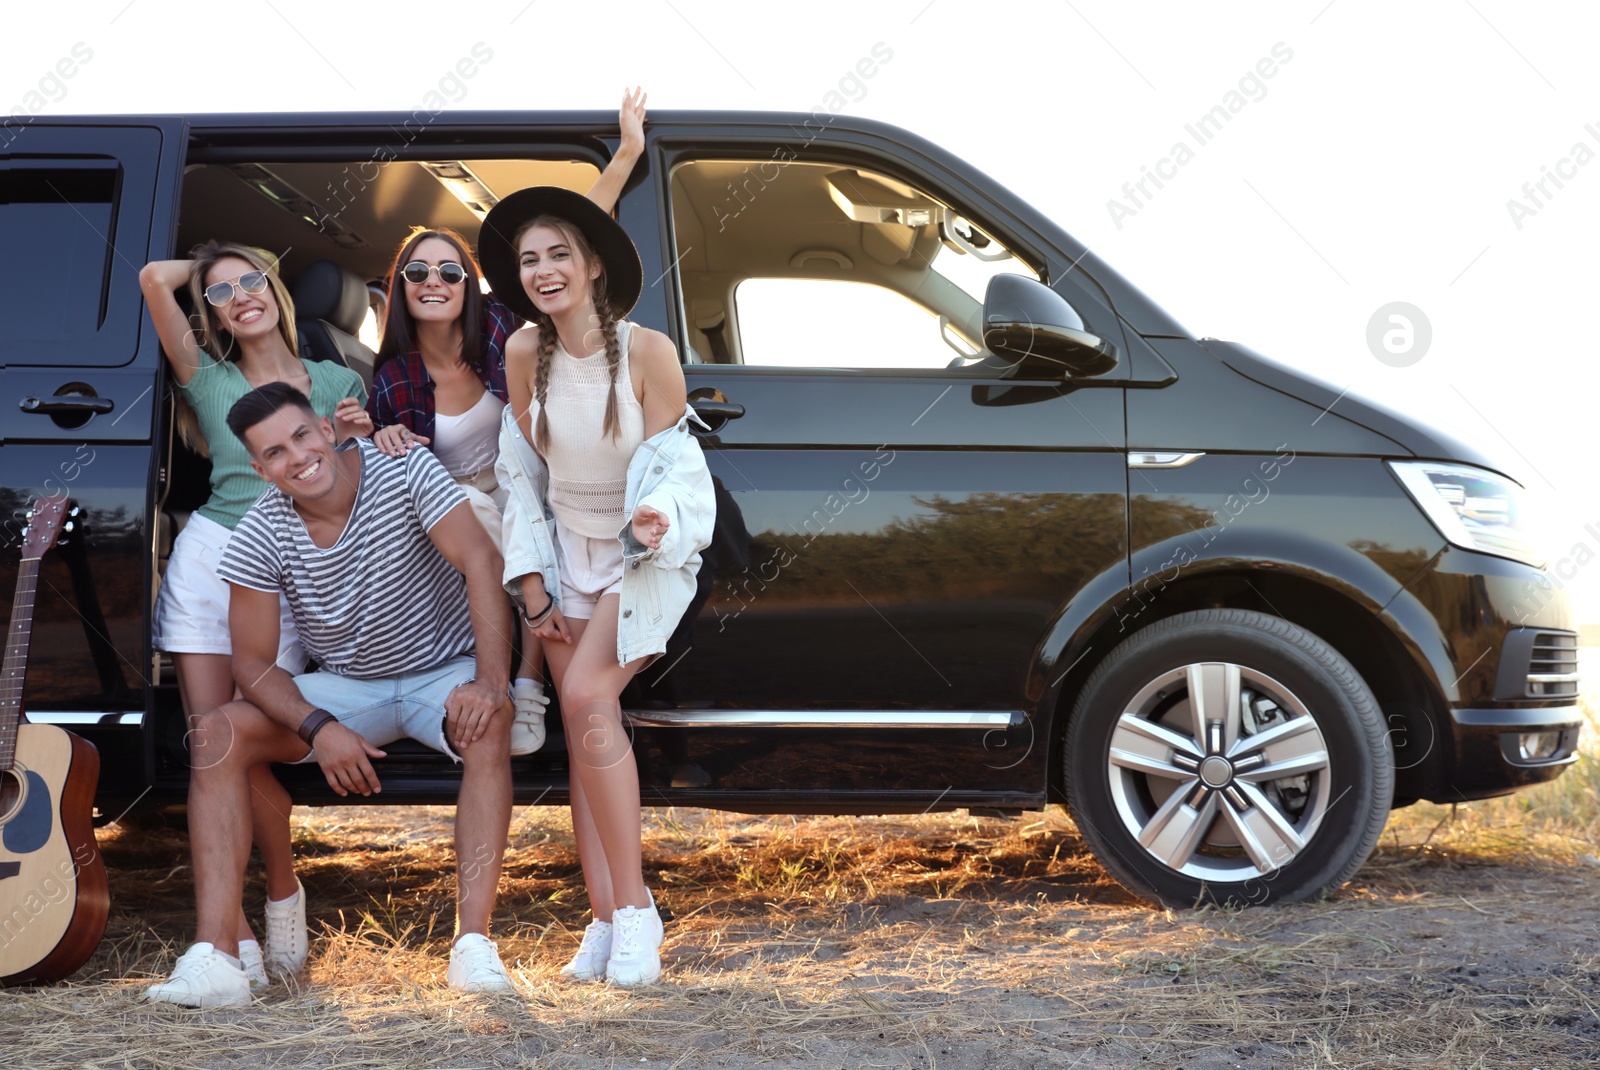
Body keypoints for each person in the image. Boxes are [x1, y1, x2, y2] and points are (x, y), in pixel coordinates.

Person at [145, 382, 517, 1007]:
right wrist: (319, 725)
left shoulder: (403, 469)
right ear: (259, 469)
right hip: (349, 689)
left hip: (441, 672)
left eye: (301, 436)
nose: (296, 457)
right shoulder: (261, 530)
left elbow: (480, 560)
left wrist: (488, 681)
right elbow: (254, 664)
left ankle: (473, 946)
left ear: (325, 428)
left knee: (490, 722)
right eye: (274, 453)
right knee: (215, 732)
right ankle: (217, 960)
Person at [366, 88, 649, 756]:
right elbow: (376, 466)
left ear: (469, 284)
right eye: (416, 272)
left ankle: (532, 679)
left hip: (531, 479)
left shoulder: (500, 327)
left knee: (537, 509)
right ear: (401, 289)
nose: (434, 280)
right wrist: (375, 435)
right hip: (453, 501)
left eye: (449, 270)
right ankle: (524, 685)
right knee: (490, 516)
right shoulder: (393, 379)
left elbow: (570, 245)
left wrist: (629, 150)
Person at [480, 185, 716, 986]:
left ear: (591, 267)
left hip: (640, 556)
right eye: (529, 260)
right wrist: (534, 589)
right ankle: (607, 919)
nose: (544, 271)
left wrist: (653, 517)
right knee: (587, 743)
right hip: (566, 558)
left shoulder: (646, 351)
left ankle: (641, 912)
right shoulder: (521, 354)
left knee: (584, 700)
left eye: (558, 255)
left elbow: (680, 470)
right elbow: (524, 478)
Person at [139, 243, 371, 990]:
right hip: (211, 568)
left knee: (255, 745)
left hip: (289, 572)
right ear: (210, 315)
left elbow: (350, 478)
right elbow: (150, 281)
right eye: (220, 293)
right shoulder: (204, 376)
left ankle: (281, 889)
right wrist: (203, 263)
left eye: (253, 282)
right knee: (215, 748)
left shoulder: (335, 380)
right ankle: (229, 941)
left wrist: (364, 434)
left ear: (276, 289)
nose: (241, 296)